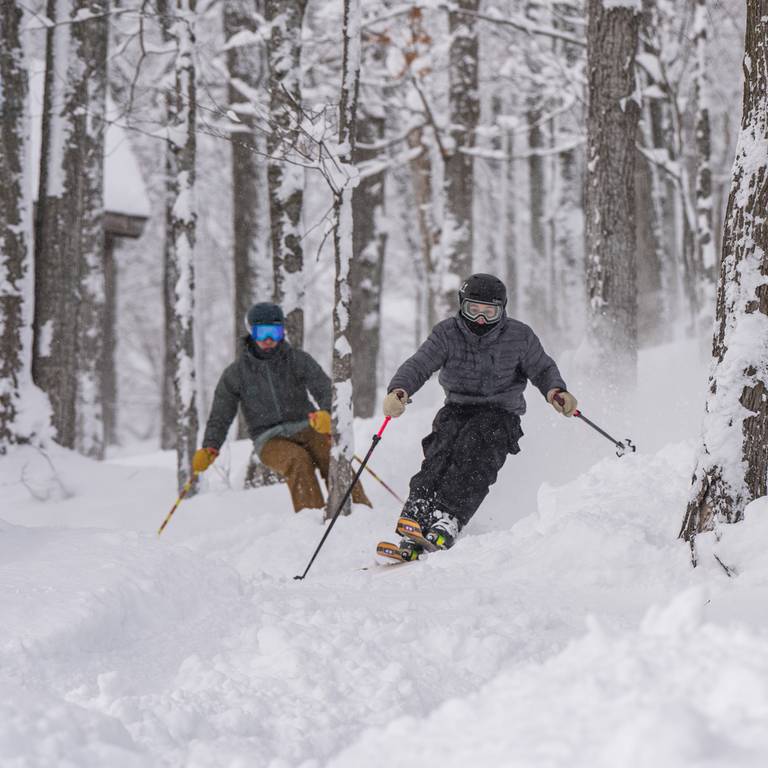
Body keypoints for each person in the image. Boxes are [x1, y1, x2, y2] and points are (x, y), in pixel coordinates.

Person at [382, 273, 576, 555]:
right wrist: (400, 390)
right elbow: (419, 364)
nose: (481, 320)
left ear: (502, 310)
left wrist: (556, 391)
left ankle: (449, 517)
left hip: (501, 414)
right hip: (457, 408)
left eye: (489, 312)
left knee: (474, 452)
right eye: (473, 310)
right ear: (462, 306)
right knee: (440, 452)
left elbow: (543, 368)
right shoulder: (447, 333)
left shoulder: (519, 336)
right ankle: (418, 511)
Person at [192, 302, 371, 512]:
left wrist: (326, 414)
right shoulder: (236, 373)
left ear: (282, 331)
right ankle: (312, 519)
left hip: (306, 426)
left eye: (274, 332)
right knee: (297, 460)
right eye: (262, 333)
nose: (268, 339)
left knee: (331, 453)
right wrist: (210, 446)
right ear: (251, 332)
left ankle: (359, 511)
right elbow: (220, 414)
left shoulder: (296, 359)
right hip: (268, 439)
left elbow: (325, 389)